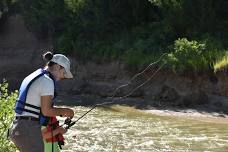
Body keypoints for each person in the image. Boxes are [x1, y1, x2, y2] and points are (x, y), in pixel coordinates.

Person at [9, 52, 74, 152]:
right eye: (64, 73)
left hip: (17, 127)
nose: (63, 77)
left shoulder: (34, 76)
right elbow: (46, 111)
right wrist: (67, 111)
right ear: (57, 67)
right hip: (28, 129)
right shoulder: (47, 81)